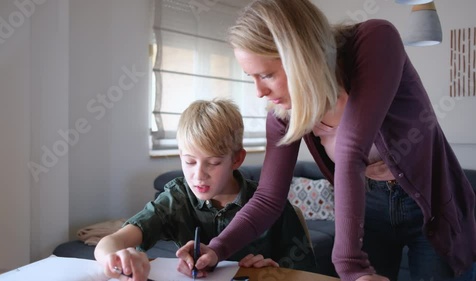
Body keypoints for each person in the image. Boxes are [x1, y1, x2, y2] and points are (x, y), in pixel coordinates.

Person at [175, 1, 476, 281]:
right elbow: (269, 198)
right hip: (369, 203)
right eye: (251, 77)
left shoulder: (375, 40)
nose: (259, 92)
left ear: (300, 57)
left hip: (428, 198)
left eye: (265, 74)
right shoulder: (282, 112)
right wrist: (216, 248)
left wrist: (349, 265)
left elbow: (351, 150)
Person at [95, 98, 316, 280]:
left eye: (213, 163)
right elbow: (110, 242)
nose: (199, 175)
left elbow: (308, 274)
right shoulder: (176, 198)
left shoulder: (271, 205)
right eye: (190, 162)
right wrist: (116, 258)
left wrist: (275, 271)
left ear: (237, 159)